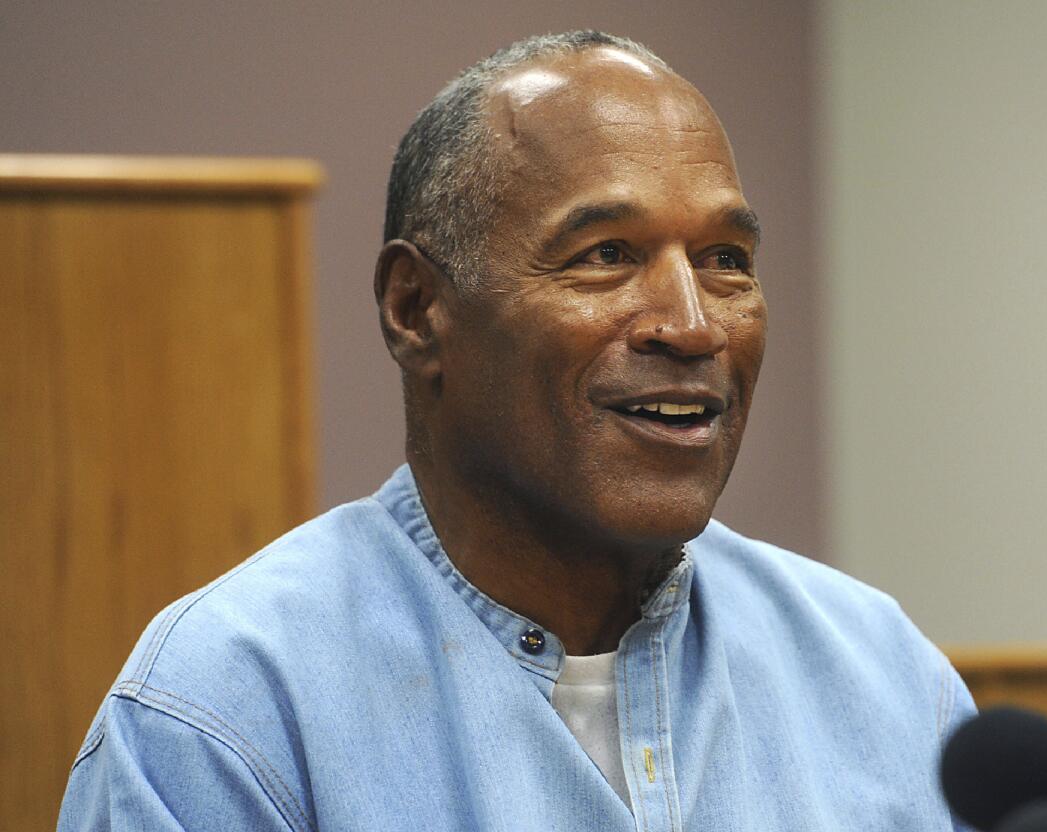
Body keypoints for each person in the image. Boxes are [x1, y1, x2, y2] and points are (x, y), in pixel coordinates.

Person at [59, 31, 975, 830]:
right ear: (417, 310)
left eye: (725, 260)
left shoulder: (883, 680)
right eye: (607, 256)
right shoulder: (229, 712)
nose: (693, 325)